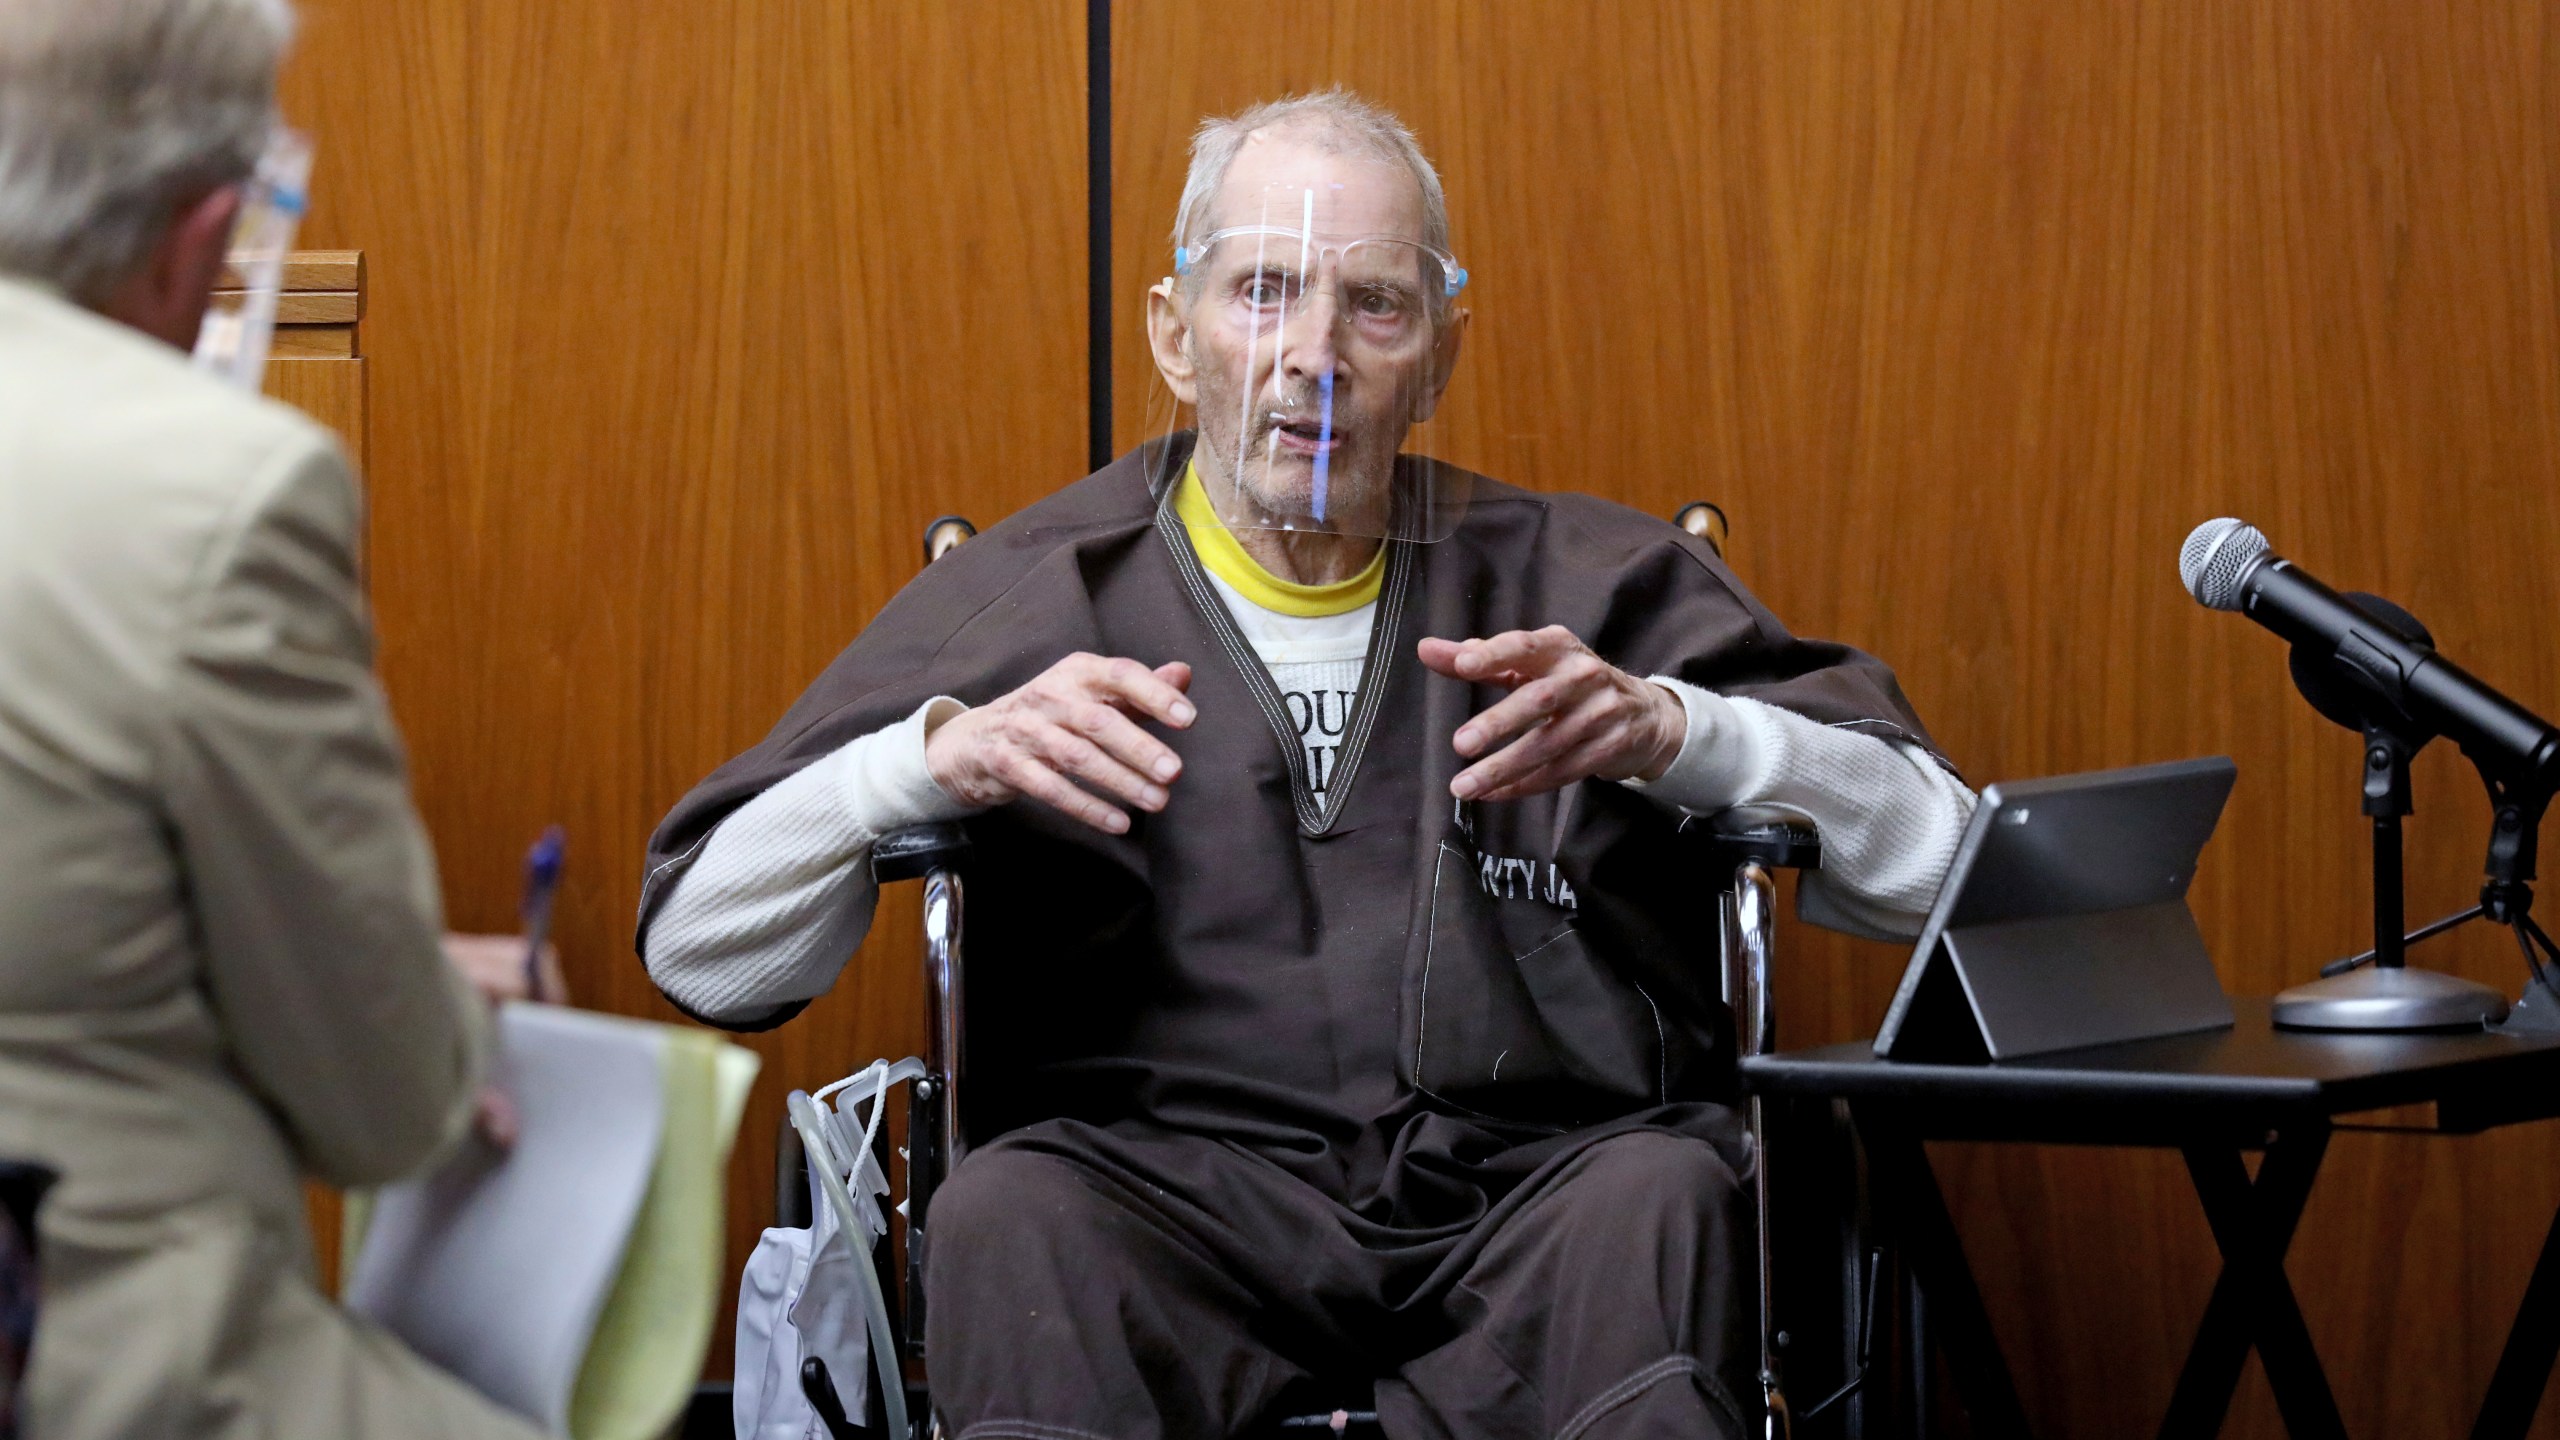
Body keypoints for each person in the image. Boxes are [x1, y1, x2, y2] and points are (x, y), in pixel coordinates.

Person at [643, 91, 1975, 1439]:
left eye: (1375, 305)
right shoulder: (1032, 605)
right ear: (1175, 334)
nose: (1314, 356)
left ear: (1444, 351)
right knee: (1006, 1213)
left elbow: (1944, 869)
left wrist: (1687, 737)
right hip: (1161, 1211)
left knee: (1670, 1195)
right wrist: (929, 764)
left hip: (1533, 1202)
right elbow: (706, 952)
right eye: (1264, 292)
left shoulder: (1589, 585)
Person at [0, 2, 549, 1435]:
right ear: (206, 234)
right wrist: (415, 1007)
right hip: (85, 1340)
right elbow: (381, 1107)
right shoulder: (216, 488)